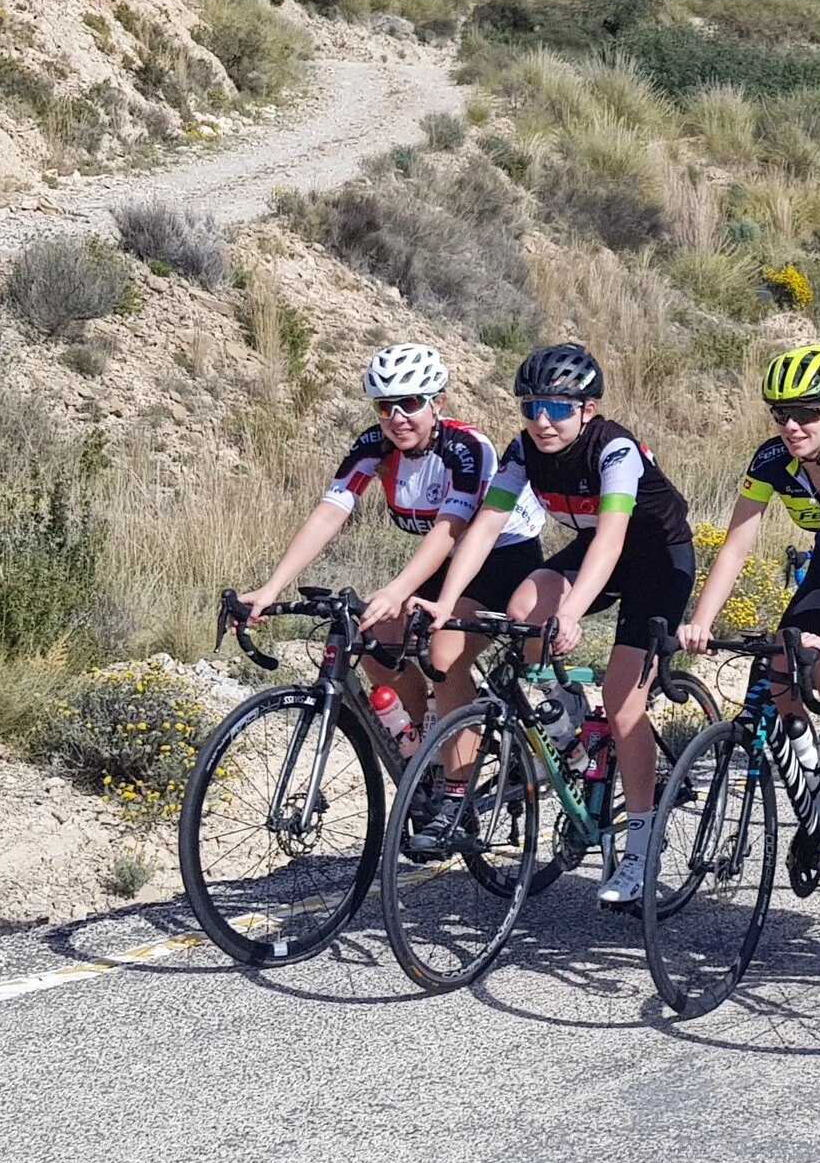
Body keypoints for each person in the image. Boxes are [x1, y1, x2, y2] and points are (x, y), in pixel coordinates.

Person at [416, 343, 696, 904]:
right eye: (532, 407)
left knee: (622, 701)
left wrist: (570, 612)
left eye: (559, 408)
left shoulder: (614, 449)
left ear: (587, 409)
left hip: (657, 561)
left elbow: (615, 535)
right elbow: (487, 524)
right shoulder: (524, 449)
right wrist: (448, 602)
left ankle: (641, 848)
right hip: (596, 550)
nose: (543, 420)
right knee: (522, 610)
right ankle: (568, 727)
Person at [681, 345, 820, 882]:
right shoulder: (770, 460)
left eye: (804, 413)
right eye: (780, 414)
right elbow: (735, 546)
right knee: (780, 668)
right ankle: (817, 779)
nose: (790, 425)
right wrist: (703, 621)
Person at [237, 343, 543, 731]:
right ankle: (424, 753)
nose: (397, 418)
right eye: (385, 407)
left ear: (437, 402)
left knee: (445, 657)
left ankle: (457, 785)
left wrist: (396, 591)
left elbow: (448, 531)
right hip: (450, 559)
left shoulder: (467, 448)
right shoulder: (374, 445)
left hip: (504, 557)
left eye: (410, 403)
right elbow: (329, 514)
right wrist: (271, 588)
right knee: (375, 642)